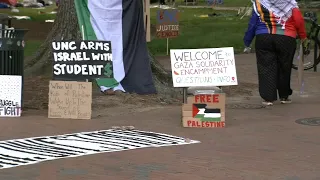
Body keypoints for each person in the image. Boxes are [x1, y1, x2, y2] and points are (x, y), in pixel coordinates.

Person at [243, 0, 307, 106]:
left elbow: (253, 23)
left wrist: (247, 41)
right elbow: (298, 20)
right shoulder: (290, 4)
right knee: (284, 67)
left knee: (265, 67)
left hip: (264, 37)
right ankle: (284, 96)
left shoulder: (260, 3)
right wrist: (303, 36)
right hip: (286, 38)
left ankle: (268, 98)